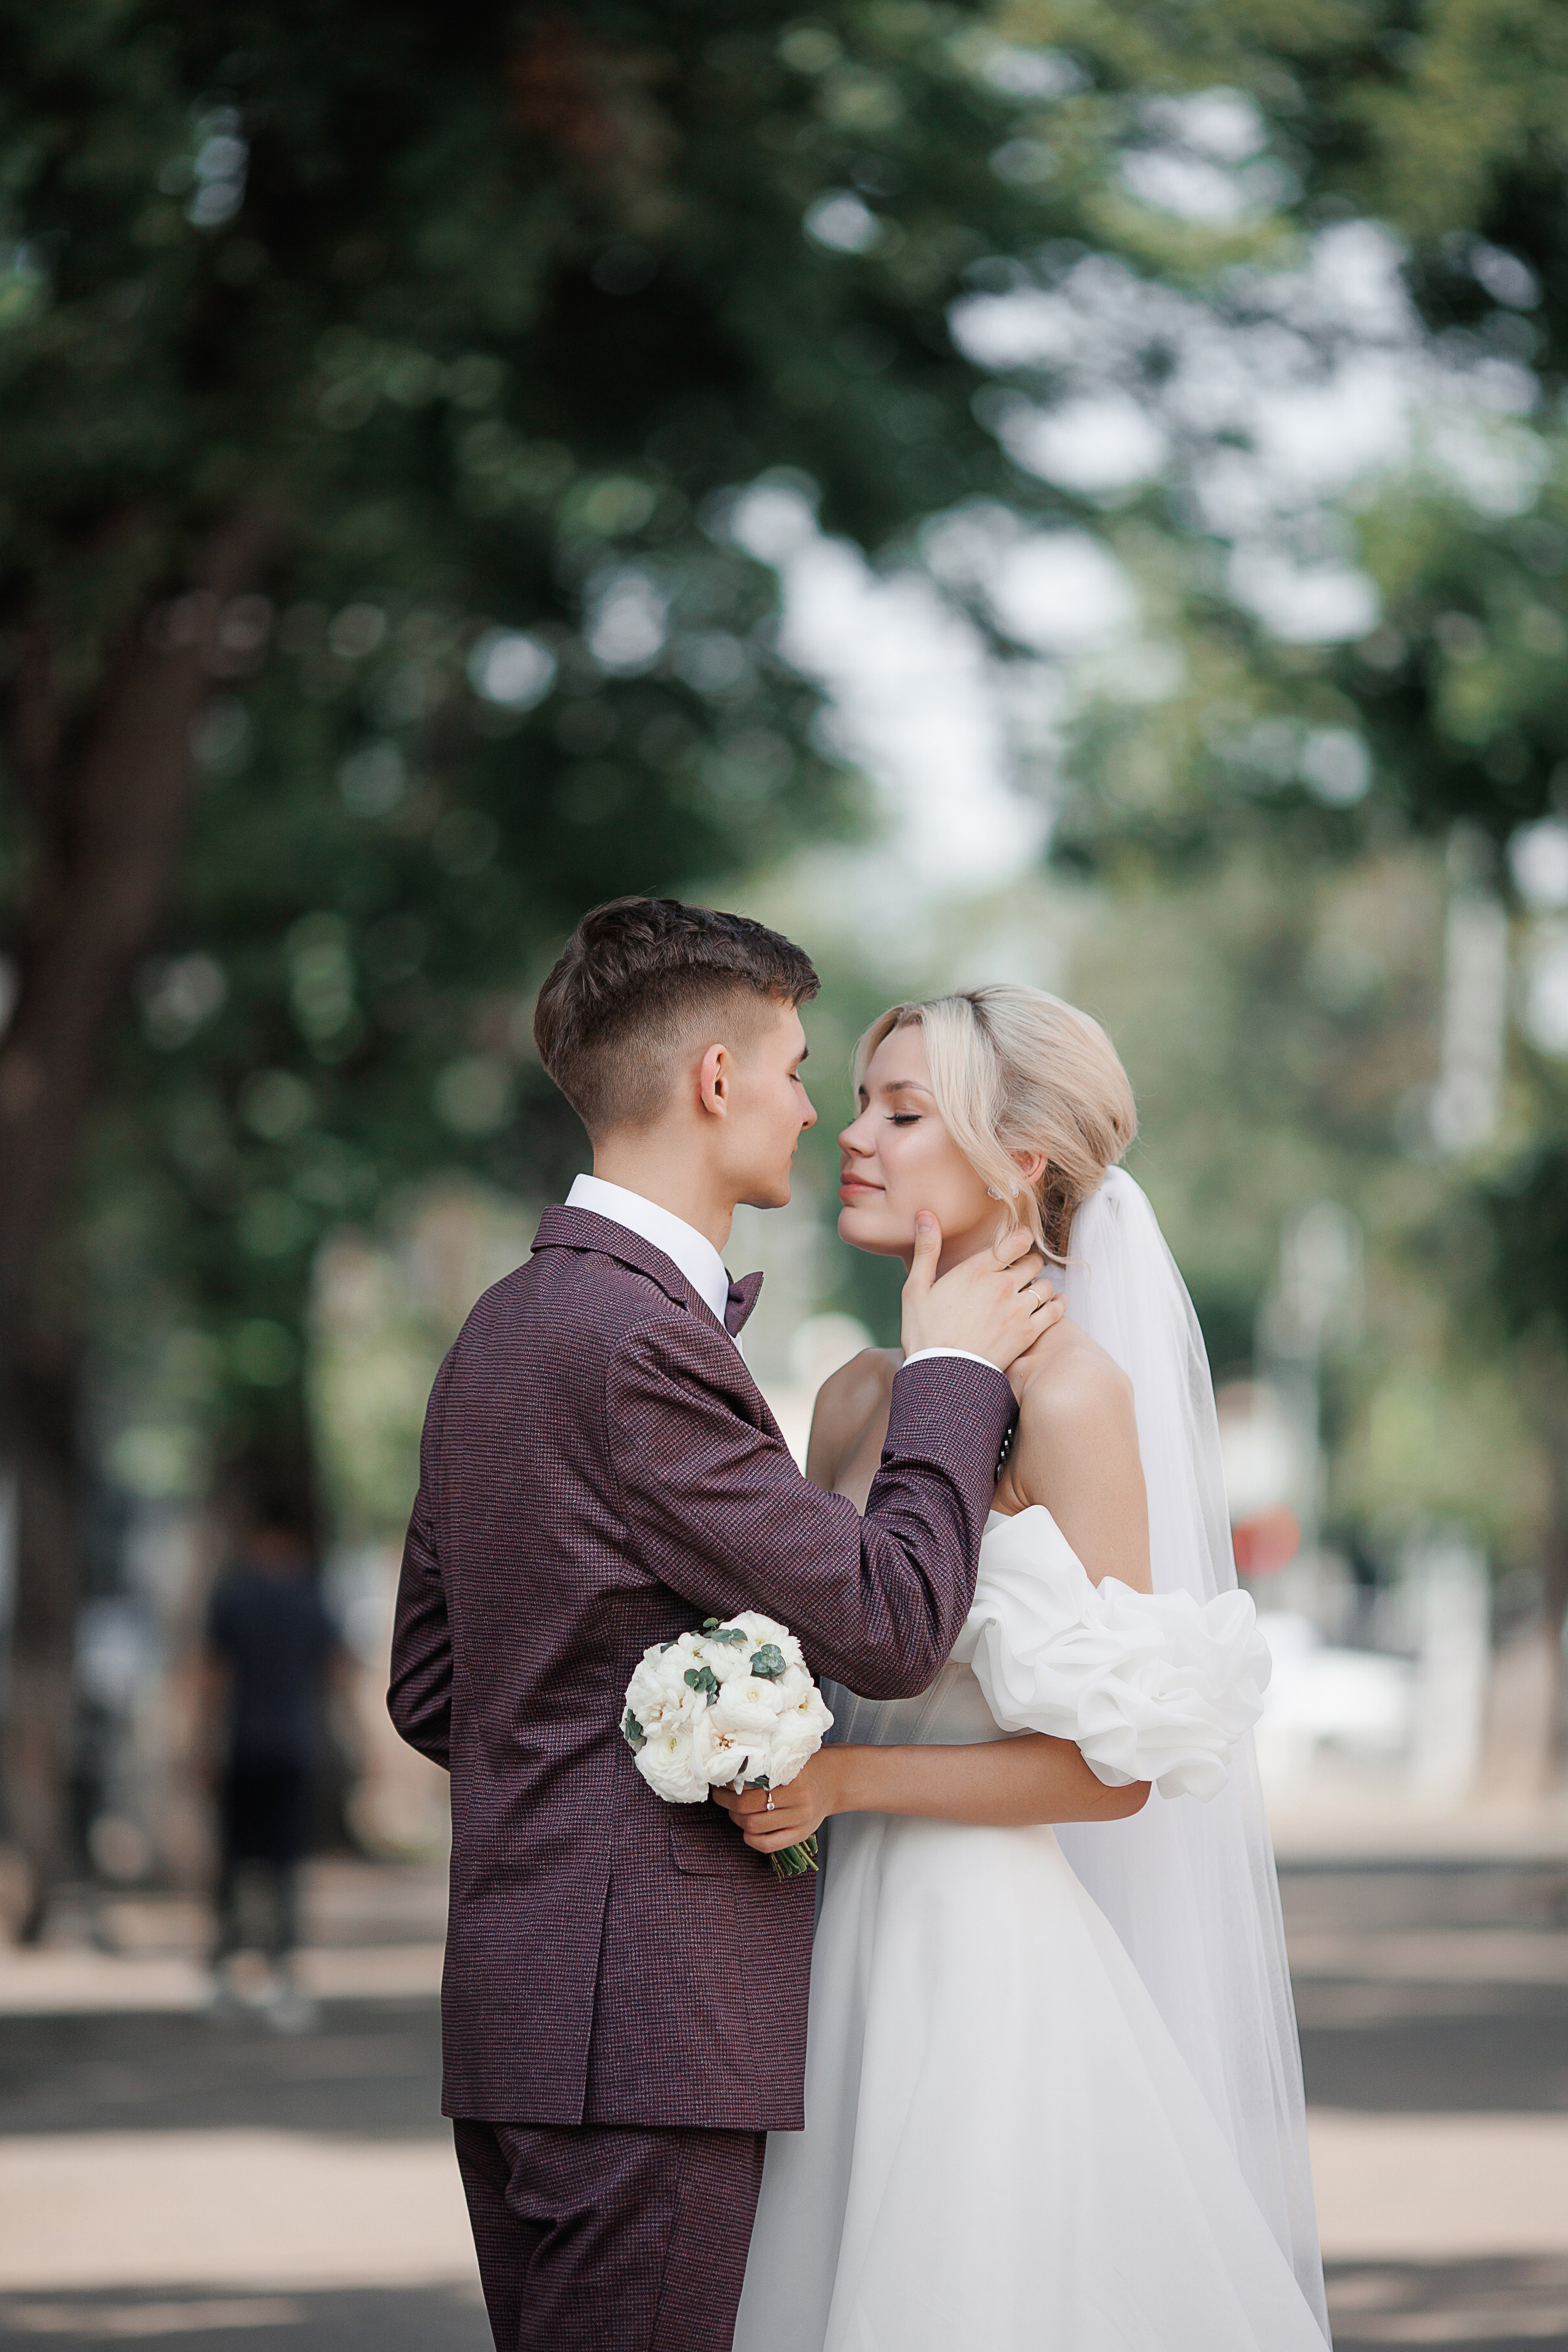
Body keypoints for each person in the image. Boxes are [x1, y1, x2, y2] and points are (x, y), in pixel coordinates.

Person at [386, 899, 1098, 2352]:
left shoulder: (505, 1325)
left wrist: (649, 1725)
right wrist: (953, 1367)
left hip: (520, 2018)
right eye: (793, 1070)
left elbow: (429, 1685)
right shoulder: (640, 1342)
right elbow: (893, 1622)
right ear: (714, 1080)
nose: (809, 1112)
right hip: (643, 2029)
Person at [722, 985, 1332, 2351]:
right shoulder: (855, 1395)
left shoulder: (1070, 1397)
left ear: (1019, 1163)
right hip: (822, 1942)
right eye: (857, 1101)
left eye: (902, 1111)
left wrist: (842, 1779)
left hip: (975, 1949)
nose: (853, 1138)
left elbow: (1111, 1775)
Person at [202, 1491, 345, 2031]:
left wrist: (197, 1744)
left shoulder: (233, 1597)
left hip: (241, 1745)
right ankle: (284, 1979)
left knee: (235, 1861)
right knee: (285, 1865)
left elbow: (211, 1677)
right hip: (293, 1745)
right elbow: (338, 1670)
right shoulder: (309, 1599)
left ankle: (223, 1975)